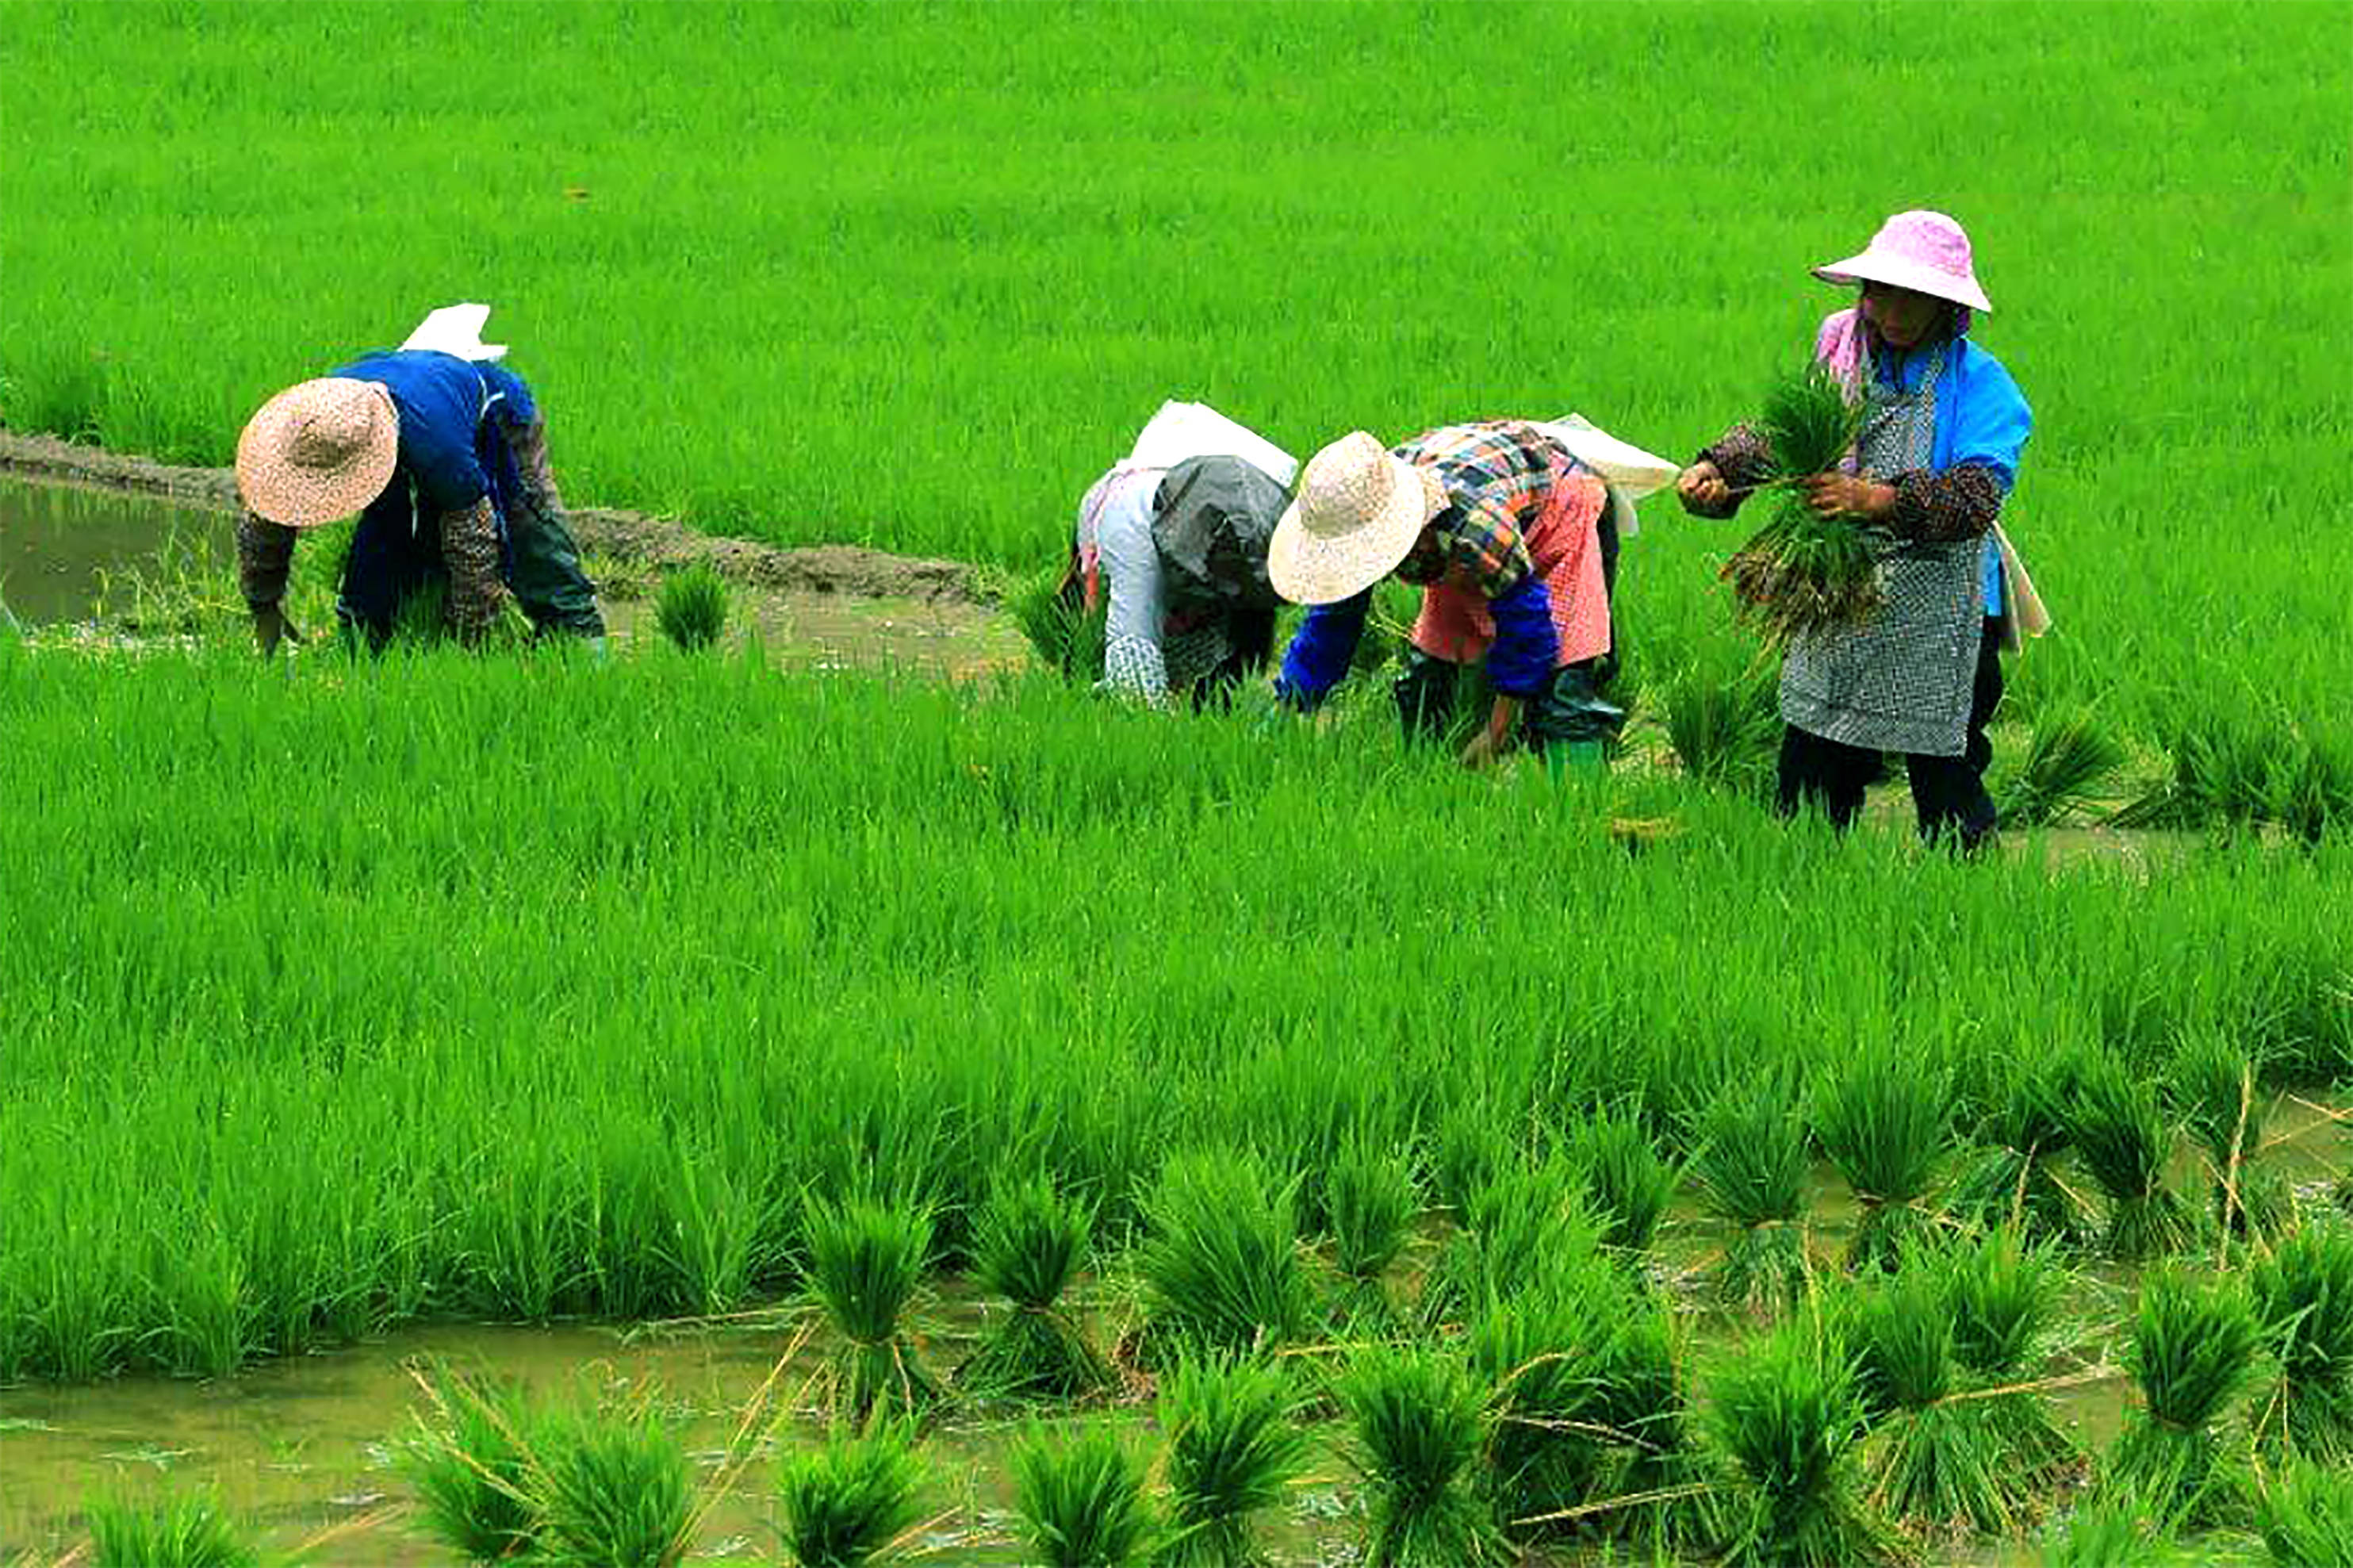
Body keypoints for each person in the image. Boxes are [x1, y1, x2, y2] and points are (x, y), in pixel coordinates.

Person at [1677, 210, 2039, 849]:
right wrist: (1719, 467)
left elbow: (1976, 495)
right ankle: (1804, 884)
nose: (1892, 311)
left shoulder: (1980, 384)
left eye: (1912, 297)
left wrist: (1875, 499)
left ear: (1944, 306)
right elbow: (1792, 435)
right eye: (1881, 292)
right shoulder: (1843, 353)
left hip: (1940, 605)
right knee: (1813, 767)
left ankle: (1963, 897)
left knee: (1946, 774)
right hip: (1839, 590)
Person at [1267, 421, 1623, 772]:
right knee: (1427, 678)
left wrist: (1494, 733)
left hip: (1557, 508)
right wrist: (1287, 708)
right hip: (1448, 536)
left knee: (1563, 686)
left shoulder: (1475, 527)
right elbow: (1333, 620)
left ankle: (1579, 800)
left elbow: (1527, 629)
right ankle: (1425, 771)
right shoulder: (1356, 498)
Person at [233, 319, 605, 653]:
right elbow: (267, 521)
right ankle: (364, 635)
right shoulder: (312, 427)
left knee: (529, 528)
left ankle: (581, 640)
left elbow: (473, 543)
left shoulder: (435, 447)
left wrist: (467, 644)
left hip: (492, 414)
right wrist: (264, 606)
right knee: (384, 530)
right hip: (411, 406)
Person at [1067, 414, 1293, 708]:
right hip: (1121, 519)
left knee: (1239, 646)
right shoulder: (1134, 541)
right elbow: (1134, 648)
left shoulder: (1257, 520)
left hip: (1211, 521)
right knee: (1123, 644)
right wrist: (1155, 727)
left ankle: (1214, 707)